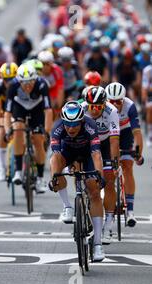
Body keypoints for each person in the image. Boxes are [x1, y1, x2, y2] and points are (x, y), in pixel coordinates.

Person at [49, 101, 106, 262]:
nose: (71, 128)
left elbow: (96, 155)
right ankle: (67, 206)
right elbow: (56, 156)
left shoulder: (90, 125)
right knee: (55, 162)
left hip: (88, 154)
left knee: (94, 191)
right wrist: (55, 177)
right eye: (68, 124)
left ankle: (97, 244)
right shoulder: (58, 127)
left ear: (81, 121)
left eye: (74, 124)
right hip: (67, 152)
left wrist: (99, 176)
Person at [103, 82, 144, 242]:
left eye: (118, 101)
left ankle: (130, 211)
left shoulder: (130, 106)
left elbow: (137, 132)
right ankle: (108, 214)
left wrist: (138, 153)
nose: (115, 104)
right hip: (107, 135)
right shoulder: (103, 107)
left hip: (125, 133)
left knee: (127, 166)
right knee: (108, 174)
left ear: (124, 99)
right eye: (111, 101)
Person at [4, 63, 52, 193]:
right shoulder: (13, 86)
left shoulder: (42, 84)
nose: (27, 85)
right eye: (24, 83)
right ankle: (18, 171)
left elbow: (48, 111)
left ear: (35, 79)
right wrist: (8, 129)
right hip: (19, 108)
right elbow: (7, 113)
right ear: (19, 81)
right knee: (18, 129)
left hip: (37, 109)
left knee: (38, 140)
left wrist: (46, 131)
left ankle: (40, 178)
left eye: (30, 81)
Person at [82, 86, 120, 245]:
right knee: (82, 176)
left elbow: (114, 140)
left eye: (98, 106)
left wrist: (114, 162)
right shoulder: (81, 109)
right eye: (92, 106)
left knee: (109, 182)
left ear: (104, 105)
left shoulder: (111, 111)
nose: (95, 110)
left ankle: (108, 223)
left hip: (104, 143)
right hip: (86, 143)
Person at [0, 62, 18, 181]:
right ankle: (2, 167)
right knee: (1, 134)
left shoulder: (20, 85)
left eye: (11, 79)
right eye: (6, 79)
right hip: (4, 112)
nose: (9, 82)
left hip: (18, 111)